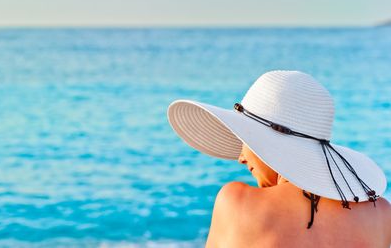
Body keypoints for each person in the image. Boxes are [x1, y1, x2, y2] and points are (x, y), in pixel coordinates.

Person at [167, 70, 391, 247]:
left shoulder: (236, 202)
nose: (241, 158)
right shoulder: (380, 214)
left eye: (246, 140)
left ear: (270, 143)